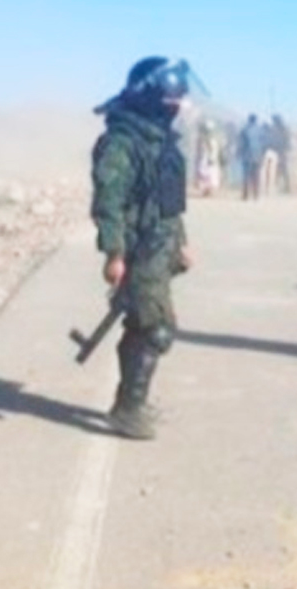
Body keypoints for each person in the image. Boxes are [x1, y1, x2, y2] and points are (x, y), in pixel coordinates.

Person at [90, 57, 194, 440]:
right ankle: (128, 408)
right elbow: (108, 203)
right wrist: (114, 253)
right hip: (139, 248)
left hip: (161, 247)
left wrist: (181, 244)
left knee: (143, 323)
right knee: (156, 328)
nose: (176, 107)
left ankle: (130, 401)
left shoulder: (158, 139)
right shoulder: (121, 143)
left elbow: (167, 201)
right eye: (171, 100)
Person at [238, 114, 264, 201]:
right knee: (256, 176)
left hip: (247, 155)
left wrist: (239, 153)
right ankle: (256, 195)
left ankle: (245, 195)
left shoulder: (245, 129)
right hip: (257, 155)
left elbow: (241, 143)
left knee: (246, 176)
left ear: (249, 120)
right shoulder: (260, 130)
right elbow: (263, 143)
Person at [192, 120, 221, 196]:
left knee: (208, 174)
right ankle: (206, 190)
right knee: (205, 174)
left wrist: (211, 157)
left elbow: (213, 150)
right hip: (206, 159)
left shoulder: (209, 139)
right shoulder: (204, 139)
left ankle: (207, 190)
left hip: (208, 159)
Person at [270, 114, 291, 194]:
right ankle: (285, 187)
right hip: (282, 152)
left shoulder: (277, 130)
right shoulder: (284, 129)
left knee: (280, 170)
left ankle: (282, 187)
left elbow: (274, 141)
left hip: (279, 151)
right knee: (283, 171)